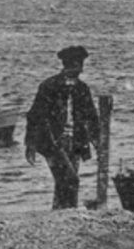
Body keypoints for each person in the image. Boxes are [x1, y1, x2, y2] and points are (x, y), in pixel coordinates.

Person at [25, 45, 100, 210]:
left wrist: (97, 142)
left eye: (80, 65)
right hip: (52, 143)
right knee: (71, 180)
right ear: (68, 65)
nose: (79, 69)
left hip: (76, 142)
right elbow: (34, 116)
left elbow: (92, 117)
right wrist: (30, 145)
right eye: (76, 65)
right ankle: (69, 212)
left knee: (63, 182)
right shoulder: (49, 86)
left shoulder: (82, 89)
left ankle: (60, 214)